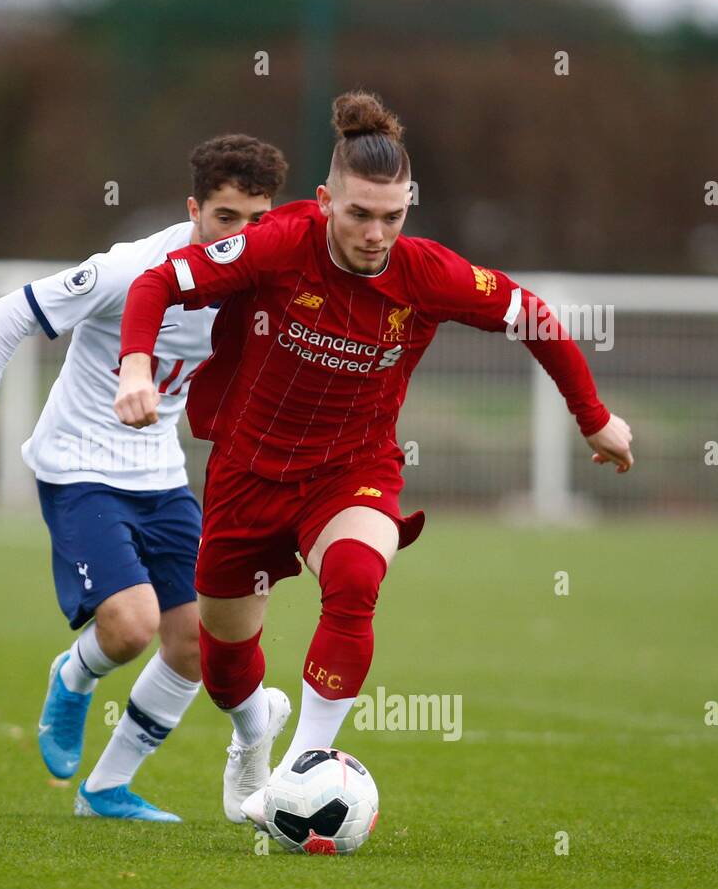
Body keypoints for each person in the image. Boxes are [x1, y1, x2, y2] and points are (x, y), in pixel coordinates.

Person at [114, 91, 634, 827]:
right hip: (246, 472)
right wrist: (136, 368)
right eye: (359, 214)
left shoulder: (426, 274)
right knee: (226, 665)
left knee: (356, 577)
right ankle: (253, 736)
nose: (375, 233)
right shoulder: (277, 245)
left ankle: (303, 770)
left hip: (351, 469)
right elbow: (159, 282)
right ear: (326, 201)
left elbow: (534, 316)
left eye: (393, 216)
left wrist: (596, 417)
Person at [0, 135, 289, 821]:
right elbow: (10, 313)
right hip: (80, 466)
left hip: (163, 476)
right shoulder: (131, 269)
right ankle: (73, 675)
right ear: (194, 209)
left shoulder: (270, 279)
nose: (241, 235)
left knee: (194, 643)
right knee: (131, 627)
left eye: (258, 220)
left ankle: (106, 789)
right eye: (226, 217)